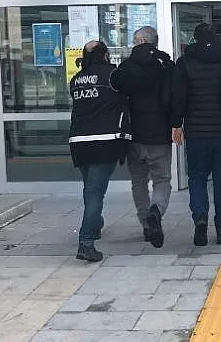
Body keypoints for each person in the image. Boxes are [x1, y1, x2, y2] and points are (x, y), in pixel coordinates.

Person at [68, 40, 159, 262]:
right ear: (105, 55)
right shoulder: (112, 75)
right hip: (105, 141)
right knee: (95, 192)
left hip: (79, 141)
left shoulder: (76, 79)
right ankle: (86, 241)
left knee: (90, 189)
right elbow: (140, 85)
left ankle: (95, 224)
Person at [171, 23, 221, 247]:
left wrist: (176, 124)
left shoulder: (184, 62)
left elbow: (178, 96)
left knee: (197, 177)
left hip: (196, 132)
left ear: (195, 39)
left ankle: (200, 218)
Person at [117, 26, 174, 249]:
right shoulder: (165, 65)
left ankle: (146, 225)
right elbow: (174, 97)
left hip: (134, 135)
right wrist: (175, 124)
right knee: (162, 180)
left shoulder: (125, 67)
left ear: (141, 41)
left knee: (138, 182)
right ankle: (155, 212)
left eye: (134, 40)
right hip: (159, 134)